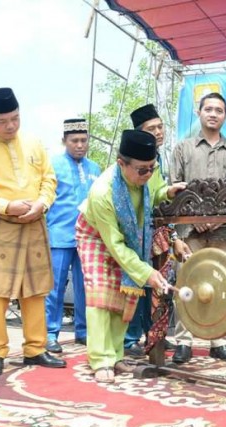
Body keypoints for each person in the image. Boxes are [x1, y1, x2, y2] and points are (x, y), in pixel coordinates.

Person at [0, 87, 66, 377]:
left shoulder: (33, 143)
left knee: (35, 288)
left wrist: (43, 203)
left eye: (15, 119)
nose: (10, 126)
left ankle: (35, 349)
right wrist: (7, 206)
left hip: (34, 222)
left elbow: (49, 179)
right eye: (2, 121)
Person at [76, 129, 185, 383]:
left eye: (151, 168)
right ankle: (100, 358)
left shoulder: (144, 175)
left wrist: (166, 192)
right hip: (96, 236)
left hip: (129, 238)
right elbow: (114, 244)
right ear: (120, 164)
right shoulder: (103, 192)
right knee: (102, 295)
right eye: (141, 170)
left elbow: (151, 196)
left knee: (125, 296)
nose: (148, 175)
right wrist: (147, 272)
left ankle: (115, 355)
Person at [170, 92, 226, 364]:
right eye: (208, 109)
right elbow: (173, 189)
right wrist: (195, 218)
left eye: (219, 110)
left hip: (224, 229)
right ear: (199, 113)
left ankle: (220, 341)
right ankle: (183, 341)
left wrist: (217, 219)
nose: (213, 114)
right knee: (185, 280)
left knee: (223, 282)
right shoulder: (183, 148)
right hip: (189, 231)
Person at [123, 104, 189, 357]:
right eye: (152, 128)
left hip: (157, 233)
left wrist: (173, 238)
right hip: (135, 233)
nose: (159, 132)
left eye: (160, 126)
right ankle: (130, 340)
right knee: (137, 286)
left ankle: (155, 335)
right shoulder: (131, 163)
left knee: (158, 286)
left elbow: (162, 205)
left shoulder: (159, 161)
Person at [44, 118, 101, 354]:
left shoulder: (95, 168)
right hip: (59, 235)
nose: (80, 145)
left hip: (88, 238)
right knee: (54, 287)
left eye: (83, 140)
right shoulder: (52, 165)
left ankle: (84, 331)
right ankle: (49, 333)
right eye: (74, 140)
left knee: (86, 287)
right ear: (64, 141)